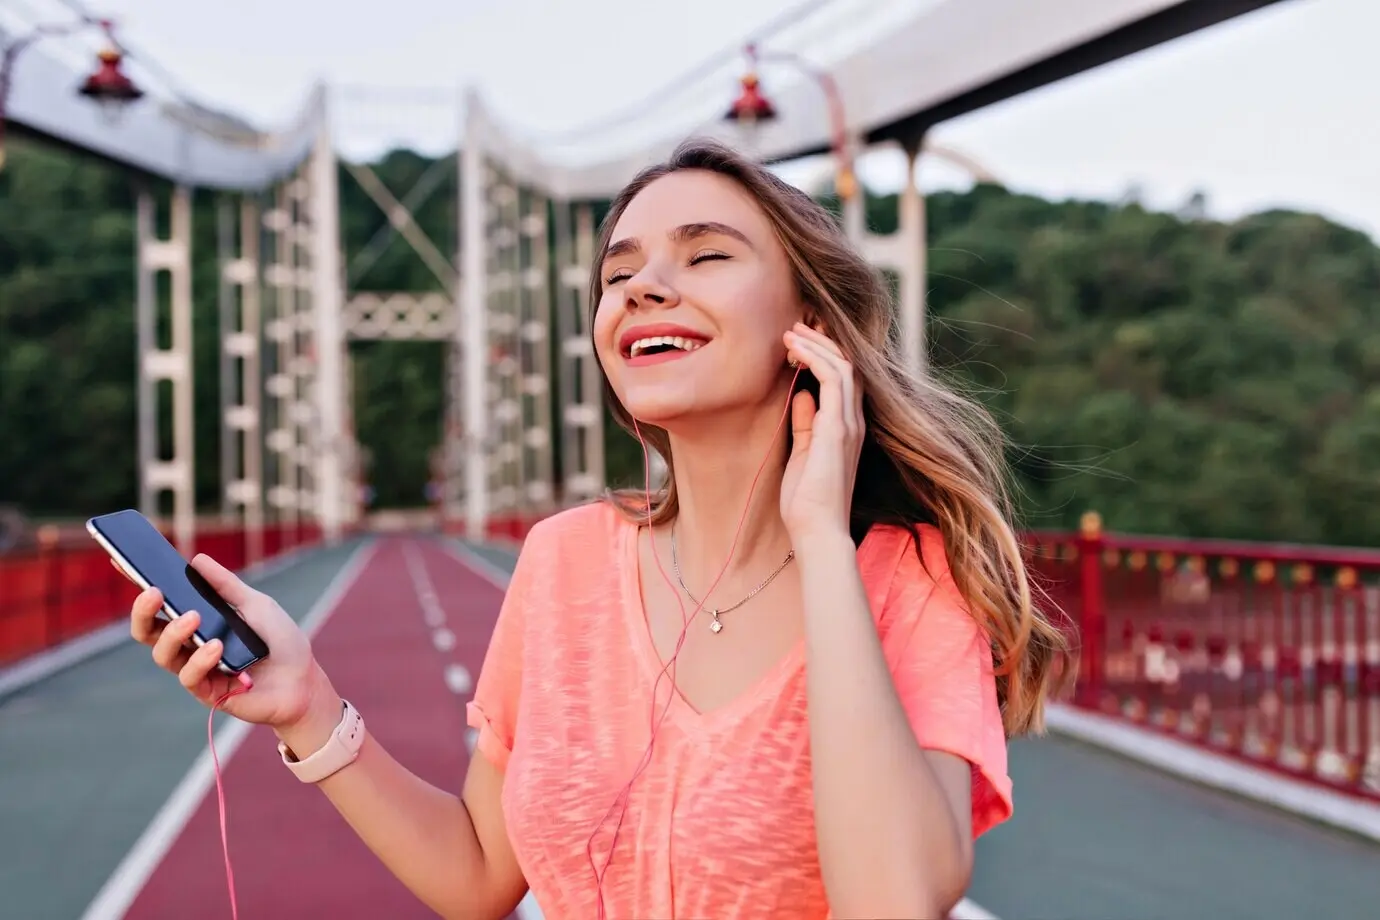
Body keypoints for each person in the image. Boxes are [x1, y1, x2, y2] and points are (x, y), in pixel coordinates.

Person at [130, 138, 1072, 920]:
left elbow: (896, 903)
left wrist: (822, 538)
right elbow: (477, 875)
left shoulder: (910, 581)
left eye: (705, 257)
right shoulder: (563, 561)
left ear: (811, 324)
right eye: (619, 273)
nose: (642, 288)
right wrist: (303, 702)